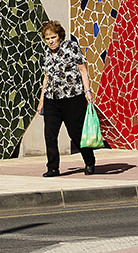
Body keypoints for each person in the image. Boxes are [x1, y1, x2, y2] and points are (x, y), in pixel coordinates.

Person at [37, 20, 96, 177]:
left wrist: (87, 91)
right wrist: (41, 100)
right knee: (50, 133)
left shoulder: (71, 47)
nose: (50, 41)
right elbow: (47, 77)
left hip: (72, 97)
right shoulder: (47, 53)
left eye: (53, 37)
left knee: (75, 133)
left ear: (59, 36)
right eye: (47, 38)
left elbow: (83, 70)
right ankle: (53, 168)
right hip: (52, 98)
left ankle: (89, 161)